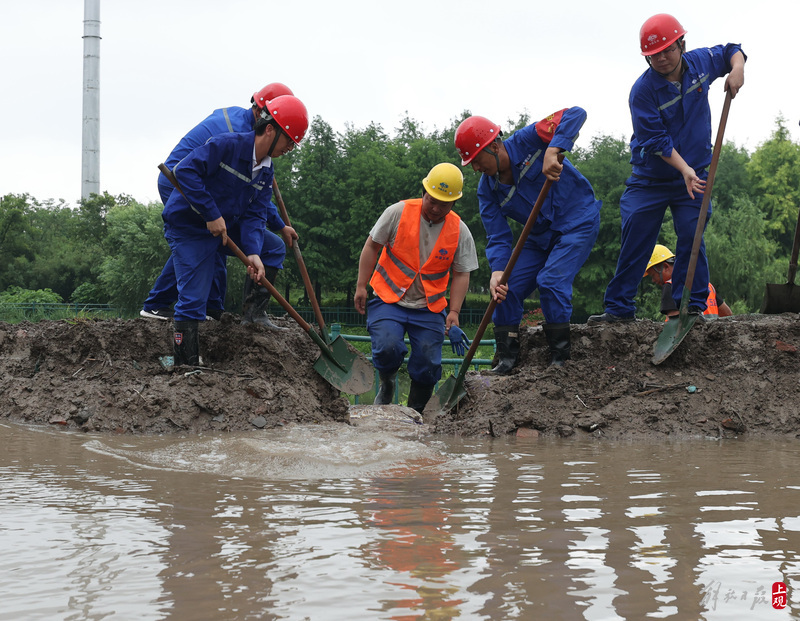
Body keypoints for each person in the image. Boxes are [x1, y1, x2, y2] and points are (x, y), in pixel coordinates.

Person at [588, 14, 746, 325]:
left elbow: (732, 50)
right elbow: (655, 140)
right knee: (636, 232)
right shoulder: (642, 92)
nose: (661, 59)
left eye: (667, 51)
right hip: (651, 178)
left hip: (695, 174)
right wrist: (684, 169)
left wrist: (737, 70)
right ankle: (619, 309)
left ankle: (694, 308)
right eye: (653, 55)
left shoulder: (701, 63)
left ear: (680, 45)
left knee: (692, 232)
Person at [165, 95, 309, 365]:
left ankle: (254, 316)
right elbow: (184, 171)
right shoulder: (227, 145)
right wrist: (210, 213)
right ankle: (186, 365)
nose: (291, 147)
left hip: (226, 228)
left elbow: (255, 215)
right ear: (269, 129)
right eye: (289, 140)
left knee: (270, 248)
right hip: (190, 228)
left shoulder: (266, 171)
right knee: (194, 297)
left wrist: (253, 253)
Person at [454, 109, 601, 370]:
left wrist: (552, 150)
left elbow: (575, 114)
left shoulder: (528, 139)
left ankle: (560, 359)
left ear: (495, 145)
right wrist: (497, 271)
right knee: (503, 289)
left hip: (577, 221)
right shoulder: (487, 190)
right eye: (471, 163)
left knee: (551, 281)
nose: (475, 168)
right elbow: (497, 235)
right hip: (539, 236)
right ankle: (507, 360)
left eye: (477, 159)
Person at [142, 83, 297, 329]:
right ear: (265, 117)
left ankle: (213, 309)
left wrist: (279, 226)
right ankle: (161, 304)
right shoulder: (236, 135)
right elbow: (233, 188)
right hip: (180, 183)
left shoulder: (256, 141)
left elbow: (251, 199)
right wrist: (212, 214)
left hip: (214, 189)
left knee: (219, 237)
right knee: (199, 243)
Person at [354, 163, 478, 413]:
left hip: (429, 307)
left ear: (453, 203)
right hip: (388, 298)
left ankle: (416, 412)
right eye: (432, 200)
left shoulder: (460, 230)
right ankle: (387, 383)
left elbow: (461, 273)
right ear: (424, 191)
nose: (435, 208)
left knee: (428, 361)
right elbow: (371, 246)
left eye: (444, 204)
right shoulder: (397, 212)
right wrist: (360, 286)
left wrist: (453, 312)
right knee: (388, 346)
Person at [644, 244, 732, 320]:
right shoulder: (706, 285)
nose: (653, 280)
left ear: (666, 267)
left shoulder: (671, 286)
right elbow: (727, 314)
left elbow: (673, 326)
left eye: (653, 275)